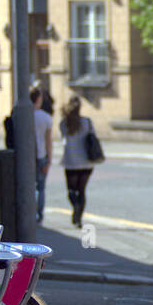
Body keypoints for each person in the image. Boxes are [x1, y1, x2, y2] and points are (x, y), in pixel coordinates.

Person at [59, 95, 98, 227]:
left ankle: (75, 208)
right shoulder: (87, 122)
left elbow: (63, 137)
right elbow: (93, 137)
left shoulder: (64, 123)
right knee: (82, 190)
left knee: (71, 191)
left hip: (71, 162)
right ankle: (78, 219)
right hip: (87, 162)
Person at [31, 86, 53, 223]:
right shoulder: (46, 118)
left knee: (29, 187)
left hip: (27, 157)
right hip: (41, 156)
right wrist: (49, 159)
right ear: (38, 99)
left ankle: (30, 212)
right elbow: (48, 140)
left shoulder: (22, 115)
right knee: (41, 188)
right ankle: (39, 214)